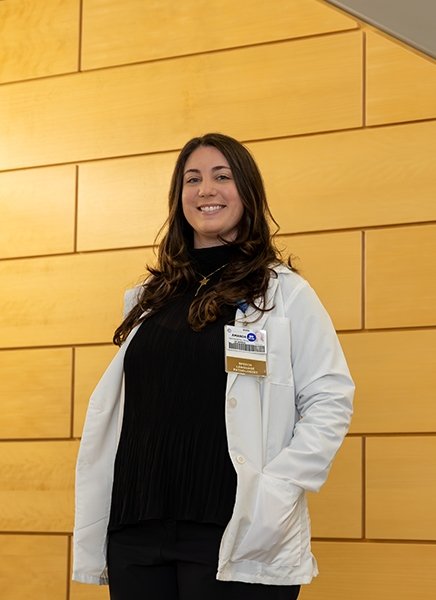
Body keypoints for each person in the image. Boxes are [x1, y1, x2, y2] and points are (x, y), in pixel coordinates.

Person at [73, 133, 354, 599]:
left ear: (247, 191)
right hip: (137, 528)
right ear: (177, 196)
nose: (206, 190)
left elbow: (330, 400)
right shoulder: (148, 298)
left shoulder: (283, 295)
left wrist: (279, 488)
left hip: (233, 527)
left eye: (222, 177)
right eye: (193, 179)